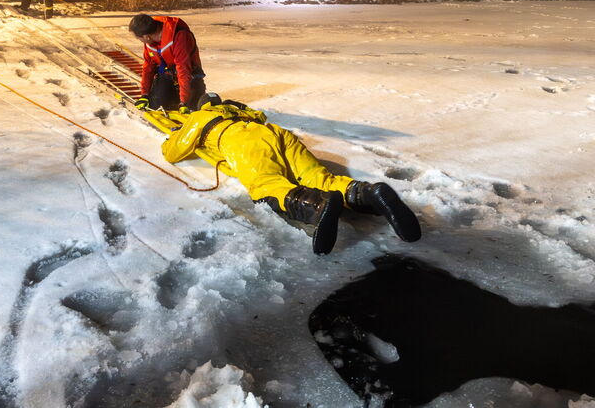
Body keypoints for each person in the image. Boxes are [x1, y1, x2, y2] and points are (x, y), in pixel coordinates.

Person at [145, 94, 422, 254]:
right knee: (320, 178)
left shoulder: (200, 117)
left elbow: (173, 151)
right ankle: (368, 193)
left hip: (241, 143)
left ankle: (318, 207)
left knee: (267, 183)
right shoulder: (242, 112)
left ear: (203, 106)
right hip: (277, 134)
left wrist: (177, 134)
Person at [129, 13, 206, 113]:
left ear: (147, 36)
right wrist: (144, 95)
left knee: (193, 108)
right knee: (155, 106)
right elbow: (148, 67)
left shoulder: (179, 36)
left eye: (138, 38)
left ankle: (186, 98)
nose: (139, 41)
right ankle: (172, 97)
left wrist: (184, 101)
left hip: (189, 75)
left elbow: (183, 69)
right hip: (167, 74)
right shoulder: (149, 41)